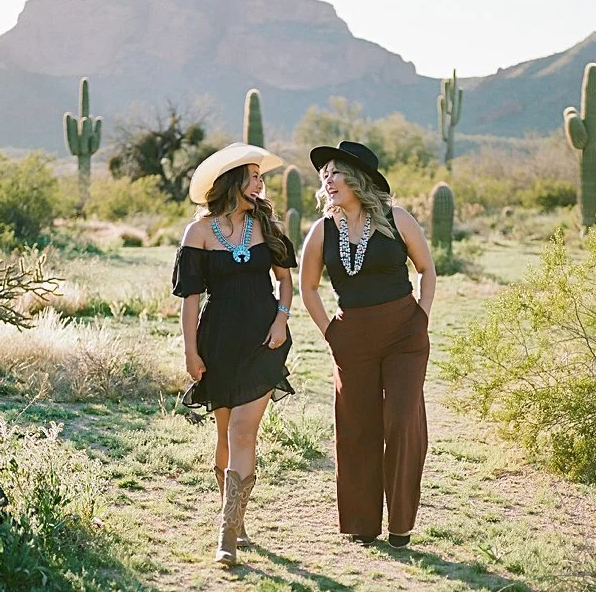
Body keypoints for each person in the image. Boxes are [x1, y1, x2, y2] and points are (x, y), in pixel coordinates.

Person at [299, 141, 435, 549]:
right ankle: (362, 522)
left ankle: (401, 523)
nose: (328, 179)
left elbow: (426, 270)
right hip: (351, 336)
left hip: (404, 334)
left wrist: (421, 317)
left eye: (335, 172)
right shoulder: (322, 231)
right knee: (357, 427)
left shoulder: (397, 219)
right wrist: (331, 332)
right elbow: (307, 288)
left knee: (401, 420)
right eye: (324, 175)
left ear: (358, 180)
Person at [171, 142, 297, 567]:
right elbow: (190, 299)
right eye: (255, 177)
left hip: (264, 340)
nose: (261, 184)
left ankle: (226, 534)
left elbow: (285, 283)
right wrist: (190, 350)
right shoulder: (200, 232)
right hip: (219, 340)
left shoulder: (268, 227)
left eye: (262, 177)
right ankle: (235, 516)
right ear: (234, 183)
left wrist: (281, 321)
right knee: (224, 438)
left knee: (244, 432)